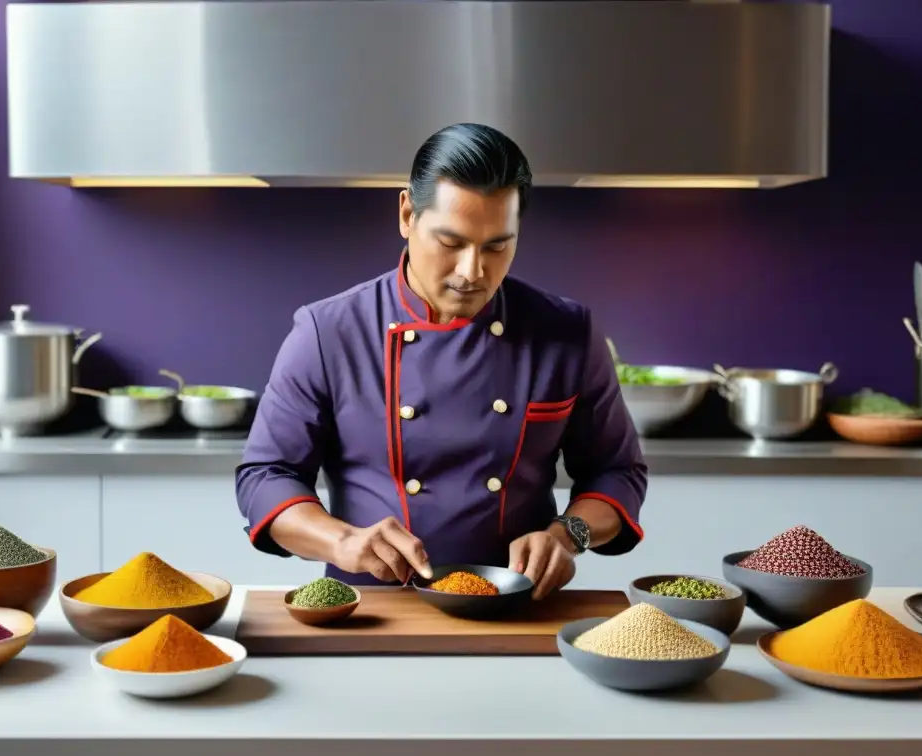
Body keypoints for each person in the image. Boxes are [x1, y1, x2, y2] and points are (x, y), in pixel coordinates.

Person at [236, 123, 648, 599]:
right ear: (407, 214)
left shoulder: (567, 332)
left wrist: (567, 535)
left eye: (497, 245)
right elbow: (266, 476)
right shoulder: (327, 333)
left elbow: (617, 471)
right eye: (451, 243)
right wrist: (342, 540)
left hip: (518, 606)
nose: (473, 271)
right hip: (371, 608)